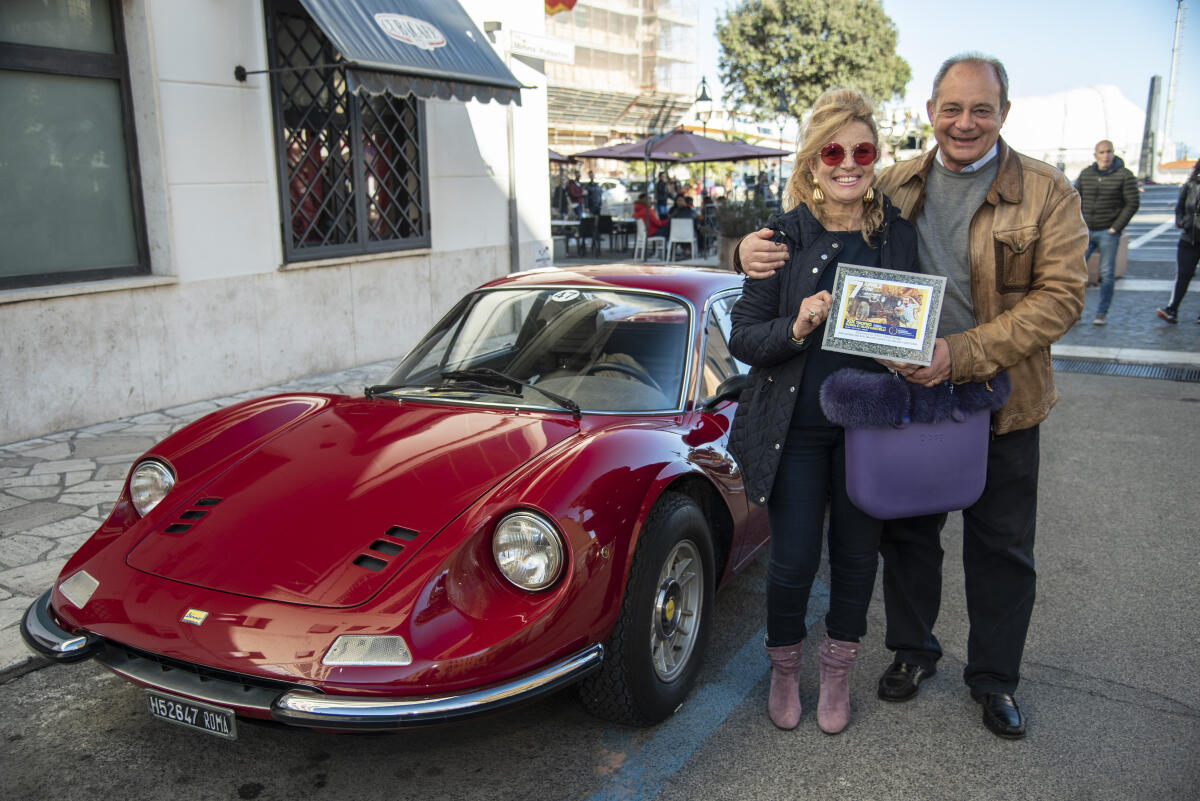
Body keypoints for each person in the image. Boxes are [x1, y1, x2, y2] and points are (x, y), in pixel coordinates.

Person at [737, 54, 1087, 739]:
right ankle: (912, 653)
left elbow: (1063, 296)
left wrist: (963, 353)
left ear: (1004, 113)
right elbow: (808, 229)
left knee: (1001, 545)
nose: (965, 122)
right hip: (903, 396)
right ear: (931, 113)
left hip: (996, 394)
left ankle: (994, 681)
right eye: (952, 108)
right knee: (908, 539)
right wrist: (748, 253)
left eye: (981, 109)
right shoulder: (899, 181)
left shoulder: (1046, 191)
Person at [727, 87, 918, 735]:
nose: (849, 163)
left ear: (876, 158)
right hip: (796, 433)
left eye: (862, 151)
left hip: (868, 432)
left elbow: (916, 320)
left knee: (858, 557)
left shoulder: (896, 234)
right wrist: (798, 325)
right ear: (813, 160)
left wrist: (908, 347)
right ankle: (785, 670)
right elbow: (743, 337)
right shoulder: (782, 235)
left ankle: (837, 672)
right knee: (793, 560)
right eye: (834, 151)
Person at [1075, 140, 1139, 325]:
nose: (1105, 155)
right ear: (1095, 155)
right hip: (1086, 230)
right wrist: (1077, 224)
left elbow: (1132, 203)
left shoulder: (1124, 175)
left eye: (1109, 151)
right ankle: (1075, 311)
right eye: (1102, 152)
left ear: (1113, 153)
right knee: (1075, 272)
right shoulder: (1086, 174)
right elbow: (1074, 198)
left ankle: (1101, 313)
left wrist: (1116, 227)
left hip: (1108, 231)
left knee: (1107, 274)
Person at [1156, 159, 1200, 324]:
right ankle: (1172, 309)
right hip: (1189, 238)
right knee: (1183, 274)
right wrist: (1182, 222)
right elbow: (1179, 207)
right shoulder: (1190, 186)